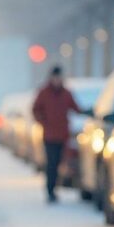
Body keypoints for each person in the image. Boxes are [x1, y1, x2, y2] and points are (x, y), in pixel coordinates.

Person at [32, 65, 80, 203]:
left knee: (58, 163)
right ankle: (50, 190)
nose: (57, 80)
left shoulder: (66, 93)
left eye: (59, 77)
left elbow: (75, 107)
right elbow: (35, 109)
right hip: (49, 135)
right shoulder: (44, 93)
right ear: (51, 78)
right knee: (51, 163)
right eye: (55, 77)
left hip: (62, 135)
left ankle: (54, 189)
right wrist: (43, 121)